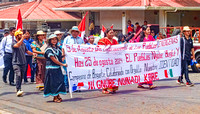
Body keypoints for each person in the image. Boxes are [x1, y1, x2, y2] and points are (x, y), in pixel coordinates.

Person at [12, 30, 36, 97]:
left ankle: (19, 87)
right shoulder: (14, 42)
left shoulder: (23, 44)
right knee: (18, 74)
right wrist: (22, 39)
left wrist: (33, 53)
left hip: (23, 62)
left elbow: (27, 51)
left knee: (21, 76)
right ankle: (18, 89)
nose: (22, 36)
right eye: (20, 35)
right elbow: (16, 46)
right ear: (17, 36)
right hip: (16, 62)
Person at [44, 34, 67, 103]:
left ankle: (57, 95)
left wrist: (64, 56)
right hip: (51, 68)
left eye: (55, 39)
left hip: (57, 68)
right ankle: (55, 96)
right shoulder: (48, 49)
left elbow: (61, 58)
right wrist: (62, 64)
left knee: (60, 81)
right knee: (53, 83)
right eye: (52, 39)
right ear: (50, 41)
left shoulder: (58, 49)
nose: (54, 41)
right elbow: (53, 59)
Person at [62, 26, 84, 92]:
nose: (74, 33)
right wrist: (63, 56)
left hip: (78, 59)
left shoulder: (80, 39)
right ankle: (66, 86)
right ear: (71, 32)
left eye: (76, 32)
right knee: (67, 72)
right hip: (69, 58)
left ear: (78, 33)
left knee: (77, 73)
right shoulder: (67, 39)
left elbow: (83, 48)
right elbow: (63, 47)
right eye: (73, 32)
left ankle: (76, 87)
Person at [98, 29, 118, 94]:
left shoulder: (115, 40)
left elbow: (118, 48)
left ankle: (113, 88)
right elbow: (100, 49)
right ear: (106, 33)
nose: (112, 34)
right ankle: (104, 88)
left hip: (114, 60)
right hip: (106, 60)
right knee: (106, 74)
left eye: (113, 33)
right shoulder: (102, 40)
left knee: (113, 74)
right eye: (110, 33)